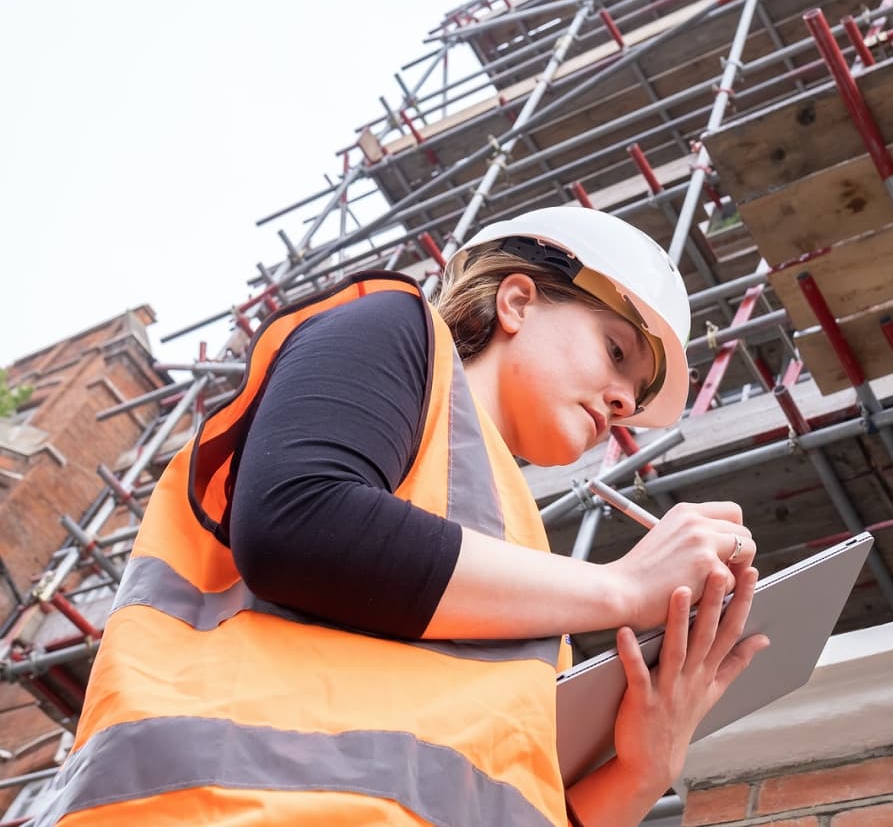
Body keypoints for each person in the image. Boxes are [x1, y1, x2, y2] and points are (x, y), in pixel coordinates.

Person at [34, 207, 768, 826]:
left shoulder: (513, 555)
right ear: (516, 302)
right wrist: (619, 589)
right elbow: (298, 522)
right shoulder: (396, 326)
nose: (620, 404)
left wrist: (644, 769)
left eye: (634, 398)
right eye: (616, 353)